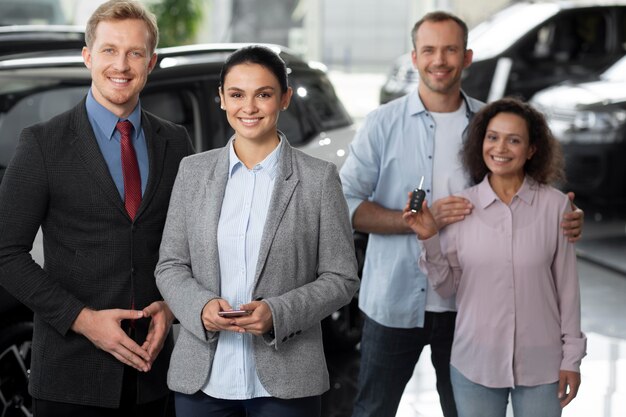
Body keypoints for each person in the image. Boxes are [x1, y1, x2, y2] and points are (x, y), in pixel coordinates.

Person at [338, 11, 585, 417]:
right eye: (430, 50)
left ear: (467, 57)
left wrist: (565, 216)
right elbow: (344, 204)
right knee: (373, 410)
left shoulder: (491, 126)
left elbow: (526, 194)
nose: (440, 60)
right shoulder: (382, 124)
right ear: (414, 57)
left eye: (450, 49)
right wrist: (416, 222)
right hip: (393, 301)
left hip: (471, 313)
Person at [0, 1, 194, 415]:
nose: (120, 65)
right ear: (88, 57)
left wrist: (175, 306)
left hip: (153, 375)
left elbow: (192, 245)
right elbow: (4, 253)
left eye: (134, 53)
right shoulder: (43, 144)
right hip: (71, 378)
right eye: (109, 50)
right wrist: (84, 320)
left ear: (151, 62)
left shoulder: (175, 143)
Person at [154, 45, 359, 417]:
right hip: (203, 378)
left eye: (263, 94)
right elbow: (170, 264)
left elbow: (342, 277)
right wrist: (199, 308)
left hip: (287, 378)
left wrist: (278, 313)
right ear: (221, 99)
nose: (248, 107)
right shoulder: (192, 172)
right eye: (236, 94)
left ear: (284, 99)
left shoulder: (318, 179)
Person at [402, 97, 586, 417]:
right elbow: (447, 288)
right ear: (481, 142)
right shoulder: (462, 207)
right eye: (493, 137)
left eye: (514, 140)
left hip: (542, 365)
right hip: (475, 364)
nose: (500, 147)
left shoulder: (557, 208)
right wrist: (428, 236)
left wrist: (572, 358)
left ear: (531, 150)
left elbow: (568, 292)